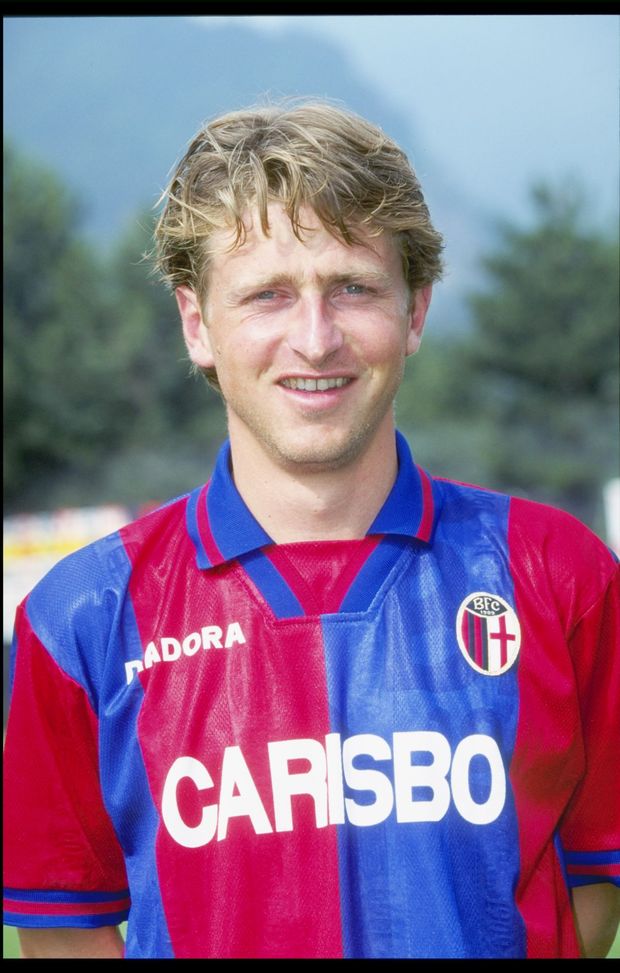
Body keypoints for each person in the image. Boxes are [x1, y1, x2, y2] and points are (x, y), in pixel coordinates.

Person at [3, 100, 619, 961]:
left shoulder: (561, 576)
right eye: (267, 295)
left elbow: (591, 886)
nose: (315, 337)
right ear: (196, 324)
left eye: (354, 287)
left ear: (415, 311)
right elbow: (64, 925)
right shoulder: (83, 619)